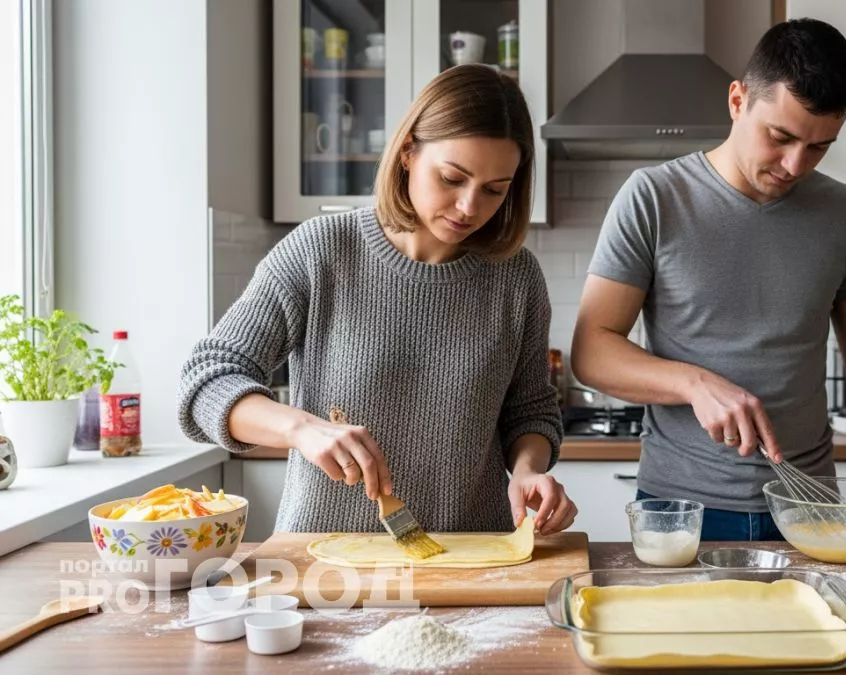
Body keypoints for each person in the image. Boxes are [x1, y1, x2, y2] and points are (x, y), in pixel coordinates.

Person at [571, 19, 846, 541]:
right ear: (738, 101)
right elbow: (592, 350)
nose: (794, 164)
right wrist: (693, 384)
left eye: (819, 147)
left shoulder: (844, 211)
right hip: (681, 511)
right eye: (780, 137)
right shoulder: (653, 197)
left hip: (809, 507)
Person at [178, 65, 577, 536]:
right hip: (325, 556)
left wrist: (529, 468)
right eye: (452, 178)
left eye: (494, 190)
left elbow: (530, 411)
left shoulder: (517, 278)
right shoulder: (322, 249)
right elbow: (206, 385)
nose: (470, 207)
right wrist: (300, 429)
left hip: (472, 555)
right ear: (408, 152)